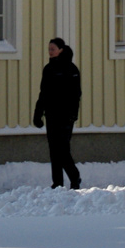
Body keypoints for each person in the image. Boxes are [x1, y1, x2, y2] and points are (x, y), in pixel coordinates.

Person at [33, 37, 81, 190]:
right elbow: (44, 93)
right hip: (52, 115)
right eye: (49, 49)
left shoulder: (72, 69)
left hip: (66, 116)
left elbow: (76, 94)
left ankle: (74, 178)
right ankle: (58, 183)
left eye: (53, 49)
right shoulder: (48, 69)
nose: (50, 52)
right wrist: (38, 113)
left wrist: (73, 113)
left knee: (62, 149)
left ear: (61, 49)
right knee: (53, 149)